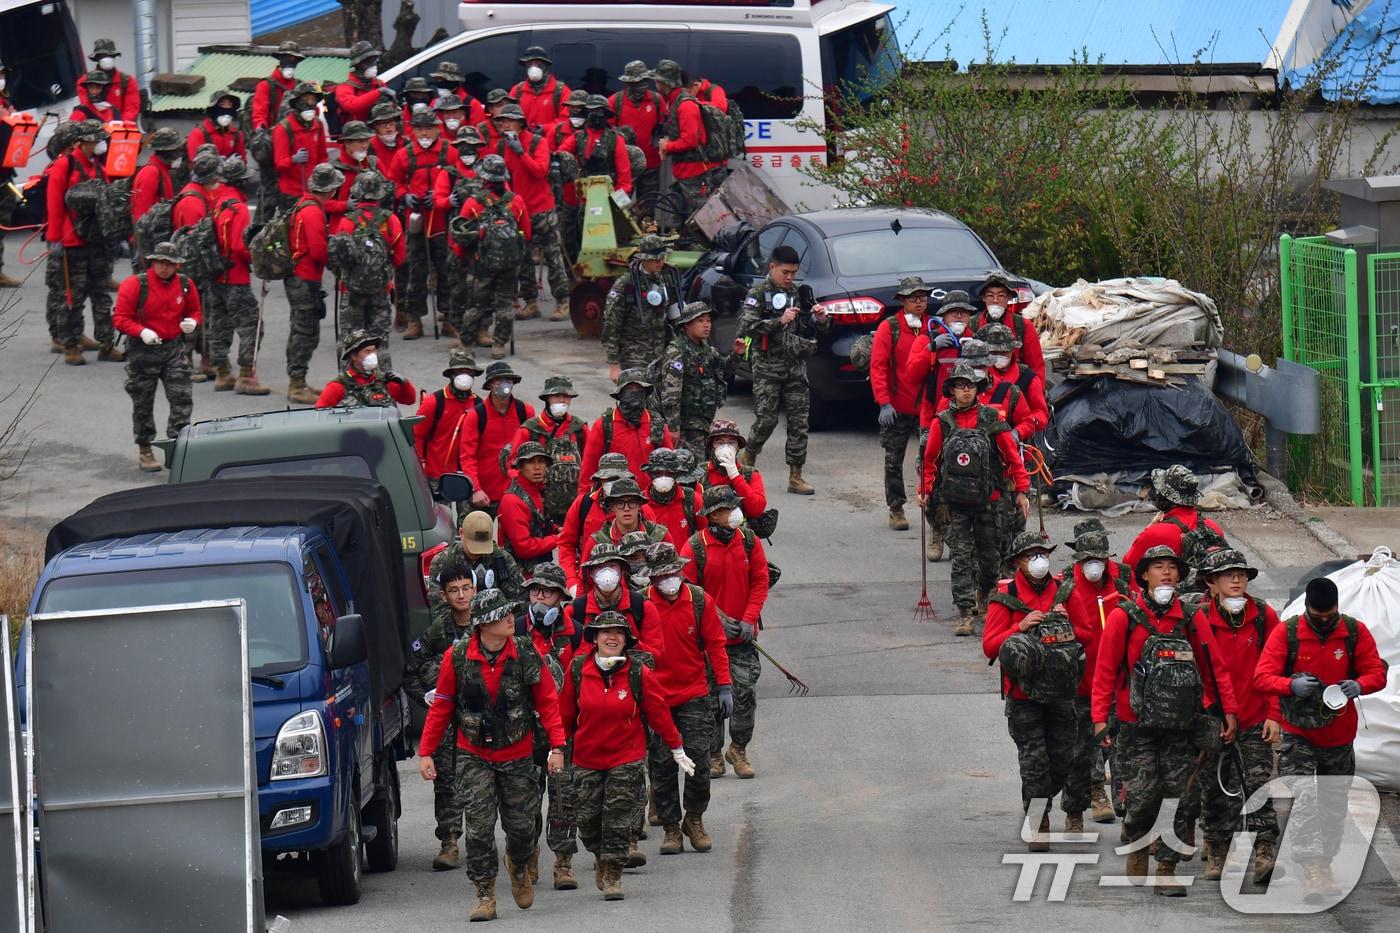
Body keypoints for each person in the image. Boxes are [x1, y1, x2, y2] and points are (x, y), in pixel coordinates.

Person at [1092, 543, 1239, 896]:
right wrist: (1100, 719)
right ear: (1144, 574)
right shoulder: (1123, 616)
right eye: (1159, 567)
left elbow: (1213, 666)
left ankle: (1167, 868)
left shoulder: (1191, 617)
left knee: (1182, 799)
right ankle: (1137, 839)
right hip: (1135, 725)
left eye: (1172, 568)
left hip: (1182, 726)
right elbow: (1105, 669)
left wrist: (1227, 711)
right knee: (1142, 798)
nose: (1167, 574)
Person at [417, 587, 566, 922]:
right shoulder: (457, 658)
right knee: (480, 829)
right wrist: (426, 752)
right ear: (484, 624)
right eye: (502, 616)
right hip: (474, 754)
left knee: (522, 828)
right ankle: (484, 892)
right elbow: (442, 706)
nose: (510, 619)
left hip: (517, 753)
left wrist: (557, 746)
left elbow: (546, 701)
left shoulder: (525, 652)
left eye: (510, 613)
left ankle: (517, 863)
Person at [1253, 576, 1389, 897]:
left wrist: (1361, 685)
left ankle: (1325, 860)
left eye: (1330, 616)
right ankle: (1311, 864)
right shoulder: (1287, 633)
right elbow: (1263, 676)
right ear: (1307, 609)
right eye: (1318, 616)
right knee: (1304, 798)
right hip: (1298, 733)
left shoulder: (1354, 632)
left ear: (1338, 608)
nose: (1325, 622)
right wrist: (1290, 686)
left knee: (1333, 802)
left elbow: (1376, 671)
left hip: (1339, 734)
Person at [561, 609, 687, 900]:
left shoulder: (637, 672)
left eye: (618, 633)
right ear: (595, 638)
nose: (612, 637)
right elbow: (564, 714)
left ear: (626, 639)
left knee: (617, 820)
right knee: (589, 822)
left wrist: (676, 746)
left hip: (625, 758)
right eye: (606, 632)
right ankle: (600, 857)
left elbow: (658, 713)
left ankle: (614, 873)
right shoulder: (579, 669)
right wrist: (555, 747)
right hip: (586, 758)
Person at [1185, 547, 1281, 884]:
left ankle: (1265, 848)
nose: (1237, 579)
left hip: (1254, 716)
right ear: (1212, 582)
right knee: (1213, 787)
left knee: (1256, 784)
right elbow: (1196, 671)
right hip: (1214, 719)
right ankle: (1216, 847)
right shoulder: (1197, 620)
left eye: (1241, 574)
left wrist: (1273, 714)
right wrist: (1214, 709)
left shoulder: (1264, 616)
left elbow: (1276, 668)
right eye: (1228, 574)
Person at [917, 361, 1030, 636]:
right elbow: (930, 460)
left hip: (990, 501)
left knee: (991, 557)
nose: (966, 391)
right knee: (962, 558)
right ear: (952, 390)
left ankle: (984, 593)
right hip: (954, 503)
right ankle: (965, 612)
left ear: (978, 389)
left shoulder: (992, 419)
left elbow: (1011, 457)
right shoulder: (941, 422)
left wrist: (1021, 491)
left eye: (970, 386)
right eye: (960, 386)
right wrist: (925, 490)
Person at [982, 532, 1079, 850]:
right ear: (1017, 563)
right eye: (1030, 555)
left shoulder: (1064, 592)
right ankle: (1038, 821)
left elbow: (1087, 638)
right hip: (1024, 699)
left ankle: (1043, 801)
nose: (1039, 560)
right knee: (1034, 763)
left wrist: (1069, 624)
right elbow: (989, 646)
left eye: (1042, 554)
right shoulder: (1004, 597)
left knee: (1062, 761)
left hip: (1062, 695)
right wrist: (1018, 627)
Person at [645, 542, 730, 856]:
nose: (669, 579)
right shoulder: (642, 606)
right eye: (661, 574)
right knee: (662, 764)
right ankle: (670, 826)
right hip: (656, 698)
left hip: (694, 693)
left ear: (681, 570)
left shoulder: (699, 600)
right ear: (652, 578)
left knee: (699, 760)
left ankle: (694, 819)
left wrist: (724, 686)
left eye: (672, 572)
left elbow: (716, 645)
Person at [681, 486, 769, 780]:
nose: (736, 513)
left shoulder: (749, 541)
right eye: (730, 509)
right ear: (714, 515)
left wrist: (749, 618)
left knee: (745, 695)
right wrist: (716, 619)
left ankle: (739, 749)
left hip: (743, 639)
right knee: (711, 699)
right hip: (708, 642)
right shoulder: (695, 547)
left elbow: (760, 581)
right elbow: (689, 593)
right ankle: (715, 753)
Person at [404, 560, 483, 871]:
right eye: (454, 591)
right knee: (447, 780)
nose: (461, 596)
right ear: (444, 596)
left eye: (466, 589)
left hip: (482, 717)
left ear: (475, 590)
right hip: (449, 721)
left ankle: (483, 841)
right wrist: (428, 698)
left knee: (484, 780)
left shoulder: (487, 625)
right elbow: (411, 671)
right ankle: (449, 841)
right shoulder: (437, 632)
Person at [1054, 525, 1134, 826]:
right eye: (1087, 559)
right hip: (1081, 683)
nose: (1094, 565)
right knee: (1080, 751)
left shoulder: (1122, 583)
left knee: (1123, 750)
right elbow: (1056, 628)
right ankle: (1076, 810)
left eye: (1099, 559)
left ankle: (1127, 808)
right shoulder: (1066, 587)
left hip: (1119, 683)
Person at [737, 244, 830, 495]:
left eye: (793, 273)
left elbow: (815, 329)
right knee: (766, 420)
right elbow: (746, 326)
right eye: (785, 272)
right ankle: (748, 458)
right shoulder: (758, 293)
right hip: (768, 367)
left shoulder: (800, 293)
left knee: (799, 423)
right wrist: (779, 321)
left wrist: (821, 318)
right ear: (773, 267)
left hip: (796, 367)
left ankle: (796, 475)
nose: (789, 277)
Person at [512, 563, 581, 891]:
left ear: (561, 597)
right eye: (535, 591)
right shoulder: (513, 630)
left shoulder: (578, 633)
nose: (540, 597)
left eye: (548, 591)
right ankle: (528, 855)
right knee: (524, 802)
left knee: (564, 799)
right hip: (522, 732)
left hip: (563, 732)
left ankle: (563, 862)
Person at [112, 242, 200, 471]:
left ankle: (178, 449)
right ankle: (145, 448)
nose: (165, 268)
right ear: (153, 262)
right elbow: (120, 318)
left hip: (174, 348)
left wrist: (193, 322)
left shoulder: (185, 284)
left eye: (170, 264)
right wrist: (141, 331)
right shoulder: (135, 285)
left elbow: (195, 310)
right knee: (143, 403)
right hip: (144, 351)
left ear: (176, 265)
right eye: (161, 262)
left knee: (181, 399)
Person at [903, 290, 977, 561]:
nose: (958, 316)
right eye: (953, 311)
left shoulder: (977, 340)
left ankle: (966, 536)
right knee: (929, 476)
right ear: (942, 314)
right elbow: (911, 375)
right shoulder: (928, 338)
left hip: (970, 421)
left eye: (964, 311)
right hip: (933, 420)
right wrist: (931, 349)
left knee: (970, 475)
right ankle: (936, 530)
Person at [46, 120, 119, 367]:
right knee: (72, 296)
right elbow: (55, 204)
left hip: (96, 240)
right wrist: (55, 239)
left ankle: (107, 344)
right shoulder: (64, 166)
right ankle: (71, 345)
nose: (101, 144)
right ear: (86, 141)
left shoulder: (98, 168)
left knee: (101, 294)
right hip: (72, 241)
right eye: (97, 139)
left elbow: (108, 202)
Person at [487, 103, 570, 321]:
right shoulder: (499, 147)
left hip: (542, 208)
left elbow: (540, 171)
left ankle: (563, 301)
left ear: (521, 123)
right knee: (522, 258)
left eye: (508, 120)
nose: (504, 124)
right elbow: (499, 179)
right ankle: (531, 302)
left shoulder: (537, 142)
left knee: (553, 255)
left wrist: (521, 152)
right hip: (517, 211)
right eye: (501, 121)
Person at [450, 153, 531, 359]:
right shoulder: (516, 201)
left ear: (484, 178)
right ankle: (499, 345)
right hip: (510, 264)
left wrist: (460, 257)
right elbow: (527, 233)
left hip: (482, 263)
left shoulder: (474, 202)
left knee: (476, 304)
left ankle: (466, 345)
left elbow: (462, 235)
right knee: (504, 304)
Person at [391, 110, 461, 341]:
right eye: (419, 128)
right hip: (416, 220)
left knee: (446, 269)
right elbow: (394, 182)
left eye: (428, 128)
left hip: (442, 219)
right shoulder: (404, 155)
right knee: (415, 271)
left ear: (437, 129)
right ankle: (414, 320)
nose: (423, 133)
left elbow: (460, 179)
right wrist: (404, 196)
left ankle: (450, 317)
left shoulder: (450, 151)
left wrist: (444, 194)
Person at [874, 276, 933, 531]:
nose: (919, 302)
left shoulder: (934, 325)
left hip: (927, 408)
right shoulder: (890, 327)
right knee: (893, 459)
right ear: (903, 301)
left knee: (930, 460)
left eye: (922, 297)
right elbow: (877, 366)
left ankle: (932, 506)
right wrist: (884, 402)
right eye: (913, 298)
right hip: (897, 407)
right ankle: (896, 507)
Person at [331, 170, 405, 365]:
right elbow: (400, 256)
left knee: (350, 340)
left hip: (351, 290)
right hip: (380, 289)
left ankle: (348, 384)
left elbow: (336, 255)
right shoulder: (391, 220)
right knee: (379, 341)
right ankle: (381, 383)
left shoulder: (347, 221)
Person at [207, 157, 268, 395]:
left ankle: (222, 373)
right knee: (251, 325)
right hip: (235, 277)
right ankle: (245, 376)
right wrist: (259, 260)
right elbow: (239, 246)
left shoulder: (220, 202)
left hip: (216, 274)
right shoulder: (239, 207)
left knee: (219, 324)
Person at [283, 162, 341, 404]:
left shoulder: (303, 204)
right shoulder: (313, 211)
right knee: (306, 332)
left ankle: (299, 380)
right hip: (304, 278)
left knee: (300, 329)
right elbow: (318, 250)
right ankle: (296, 383)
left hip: (299, 276)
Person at [171, 150, 230, 383]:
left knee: (200, 313)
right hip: (193, 268)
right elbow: (196, 240)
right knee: (191, 314)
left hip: (194, 267)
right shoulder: (193, 201)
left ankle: (204, 359)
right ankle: (184, 363)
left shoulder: (194, 195)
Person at [656, 301, 740, 455]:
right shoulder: (677, 352)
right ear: (687, 325)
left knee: (703, 467)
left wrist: (737, 354)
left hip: (703, 422)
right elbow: (671, 394)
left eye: (708, 320)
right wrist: (674, 427)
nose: (706, 325)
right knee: (693, 467)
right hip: (686, 425)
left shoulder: (707, 351)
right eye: (700, 321)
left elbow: (724, 372)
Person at [650, 60, 727, 219]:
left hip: (695, 174)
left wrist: (668, 146)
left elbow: (690, 140)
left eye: (657, 79)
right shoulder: (674, 101)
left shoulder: (685, 105)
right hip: (685, 173)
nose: (655, 83)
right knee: (683, 219)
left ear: (665, 82)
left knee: (698, 221)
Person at [509, 375, 589, 525]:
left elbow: (590, 462)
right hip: (540, 504)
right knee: (542, 545)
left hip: (574, 505)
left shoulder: (579, 428)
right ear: (547, 398)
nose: (562, 400)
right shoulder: (530, 430)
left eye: (566, 396)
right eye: (557, 396)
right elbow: (512, 464)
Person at [601, 235, 685, 379]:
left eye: (662, 258)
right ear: (644, 259)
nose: (660, 263)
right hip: (634, 355)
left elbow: (675, 313)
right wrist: (614, 363)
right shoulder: (626, 284)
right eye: (654, 259)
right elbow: (611, 324)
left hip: (662, 352)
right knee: (635, 399)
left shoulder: (666, 278)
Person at [579, 369, 675, 492]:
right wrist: (584, 499)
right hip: (614, 500)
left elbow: (669, 465)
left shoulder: (657, 423)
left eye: (638, 390)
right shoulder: (604, 424)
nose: (634, 394)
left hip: (650, 499)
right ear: (620, 394)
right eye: (629, 390)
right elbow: (589, 466)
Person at [1123, 465, 1229, 573]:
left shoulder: (1155, 533)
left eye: (1159, 490)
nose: (1155, 493)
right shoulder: (1214, 527)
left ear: (1166, 497)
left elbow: (1128, 564)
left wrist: (1150, 527)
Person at [460, 360, 535, 509]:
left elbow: (534, 451)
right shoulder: (476, 416)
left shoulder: (525, 411)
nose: (504, 384)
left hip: (515, 494)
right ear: (490, 385)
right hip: (483, 494)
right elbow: (468, 456)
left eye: (508, 380)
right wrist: (476, 489)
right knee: (473, 530)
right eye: (499, 380)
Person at [429, 511, 529, 623]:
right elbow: (438, 608)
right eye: (473, 546)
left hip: (496, 625)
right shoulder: (443, 562)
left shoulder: (501, 559)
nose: (478, 552)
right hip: (458, 627)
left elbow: (520, 599)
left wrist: (496, 621)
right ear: (461, 533)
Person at [436, 123, 486, 342]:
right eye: (463, 146)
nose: (468, 151)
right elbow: (437, 201)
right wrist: (448, 201)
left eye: (472, 146)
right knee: (457, 283)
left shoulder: (487, 170)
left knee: (483, 284)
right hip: (456, 236)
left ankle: (482, 328)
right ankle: (454, 324)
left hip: (484, 236)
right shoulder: (449, 173)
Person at [558, 455, 633, 594]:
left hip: (630, 589)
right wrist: (571, 581)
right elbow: (566, 544)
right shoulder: (583, 504)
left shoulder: (638, 508)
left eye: (618, 479)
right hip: (589, 587)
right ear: (601, 480)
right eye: (609, 479)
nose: (613, 483)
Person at [415, 349, 484, 489]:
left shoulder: (479, 404)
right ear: (451, 375)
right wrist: (418, 470)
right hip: (437, 477)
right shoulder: (434, 402)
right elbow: (417, 436)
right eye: (460, 371)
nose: (465, 376)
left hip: (468, 478)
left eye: (469, 372)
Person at [611, 61, 667, 213]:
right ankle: (620, 236)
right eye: (636, 82)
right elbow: (608, 134)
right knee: (619, 208)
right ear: (628, 82)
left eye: (644, 81)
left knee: (648, 208)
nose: (641, 85)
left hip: (651, 165)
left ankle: (646, 234)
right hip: (624, 168)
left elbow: (664, 126)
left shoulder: (657, 100)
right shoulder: (616, 101)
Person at [498, 441, 560, 572]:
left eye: (541, 461)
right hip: (519, 574)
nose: (537, 467)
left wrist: (558, 530)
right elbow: (524, 548)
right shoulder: (512, 500)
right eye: (530, 462)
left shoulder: (538, 492)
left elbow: (540, 524)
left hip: (538, 568)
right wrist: (558, 539)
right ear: (520, 466)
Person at [314, 329, 416, 408]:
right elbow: (319, 412)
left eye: (374, 350)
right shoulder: (338, 386)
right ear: (354, 356)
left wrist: (404, 383)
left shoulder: (385, 380)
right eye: (367, 351)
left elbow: (410, 400)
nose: (372, 355)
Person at [973, 271, 1044, 381]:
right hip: (981, 390)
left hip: (1014, 387)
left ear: (1009, 298)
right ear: (984, 298)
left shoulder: (1023, 326)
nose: (995, 300)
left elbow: (1036, 365)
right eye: (990, 295)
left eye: (1001, 295)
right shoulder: (972, 325)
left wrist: (1037, 391)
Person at [557, 94, 632, 196]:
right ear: (586, 115)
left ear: (606, 115)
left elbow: (624, 177)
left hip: (610, 192)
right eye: (592, 112)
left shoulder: (616, 139)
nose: (596, 116)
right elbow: (560, 154)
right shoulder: (578, 137)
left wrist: (616, 198)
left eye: (599, 112)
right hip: (584, 192)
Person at [271, 83, 330, 212]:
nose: (310, 103)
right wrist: (293, 159)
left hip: (314, 191)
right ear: (296, 103)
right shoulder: (283, 128)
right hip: (291, 193)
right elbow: (279, 164)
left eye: (313, 100)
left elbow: (322, 156)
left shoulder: (317, 125)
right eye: (305, 100)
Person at [700, 420, 768, 519]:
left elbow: (757, 510)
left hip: (740, 530)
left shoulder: (750, 474)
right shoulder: (699, 473)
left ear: (737, 447)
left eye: (731, 443)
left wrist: (736, 476)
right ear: (712, 447)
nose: (726, 447)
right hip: (706, 530)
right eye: (720, 443)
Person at [130, 128, 185, 244]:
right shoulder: (151, 173)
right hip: (148, 239)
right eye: (176, 150)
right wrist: (142, 244)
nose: (179, 153)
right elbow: (141, 212)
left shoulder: (162, 170)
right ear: (167, 151)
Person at [325, 121, 381, 228]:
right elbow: (321, 201)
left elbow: (388, 189)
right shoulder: (333, 168)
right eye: (359, 142)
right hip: (343, 227)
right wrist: (344, 205)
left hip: (371, 225)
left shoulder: (374, 163)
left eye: (366, 141)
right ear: (347, 143)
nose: (364, 146)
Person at [641, 449, 699, 546]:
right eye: (658, 473)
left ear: (676, 474)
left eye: (669, 473)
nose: (663, 478)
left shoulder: (691, 500)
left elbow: (705, 535)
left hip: (685, 560)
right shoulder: (639, 504)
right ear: (649, 474)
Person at [592, 477, 668, 550]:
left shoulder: (659, 535)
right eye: (620, 503)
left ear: (639, 505)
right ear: (612, 506)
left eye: (632, 502)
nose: (626, 508)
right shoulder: (598, 541)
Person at [75, 39, 140, 124]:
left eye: (110, 55)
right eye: (102, 56)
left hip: (120, 128)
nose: (106, 59)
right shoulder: (84, 82)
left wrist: (118, 124)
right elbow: (85, 107)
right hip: (92, 128)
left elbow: (132, 109)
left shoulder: (128, 81)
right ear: (96, 58)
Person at [511, 46, 572, 131]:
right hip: (523, 142)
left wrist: (545, 129)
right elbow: (508, 118)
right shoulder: (517, 90)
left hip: (550, 142)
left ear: (546, 66)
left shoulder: (561, 91)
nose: (534, 67)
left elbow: (567, 120)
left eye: (538, 64)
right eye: (529, 64)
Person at [250, 41, 305, 132]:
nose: (292, 60)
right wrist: (260, 126)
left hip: (297, 135)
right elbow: (259, 112)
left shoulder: (300, 85)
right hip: (274, 134)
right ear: (280, 58)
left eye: (295, 59)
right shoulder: (265, 85)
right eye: (287, 57)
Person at [335, 41, 389, 124]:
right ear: (357, 65)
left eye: (374, 61)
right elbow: (352, 105)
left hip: (380, 131)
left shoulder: (379, 84)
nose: (373, 65)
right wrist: (378, 93)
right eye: (368, 62)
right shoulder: (344, 87)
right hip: (357, 134)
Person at [187, 90, 247, 160]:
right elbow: (195, 164)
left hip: (230, 170)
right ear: (213, 109)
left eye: (229, 105)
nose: (226, 108)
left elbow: (243, 160)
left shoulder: (236, 135)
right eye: (222, 104)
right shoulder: (199, 133)